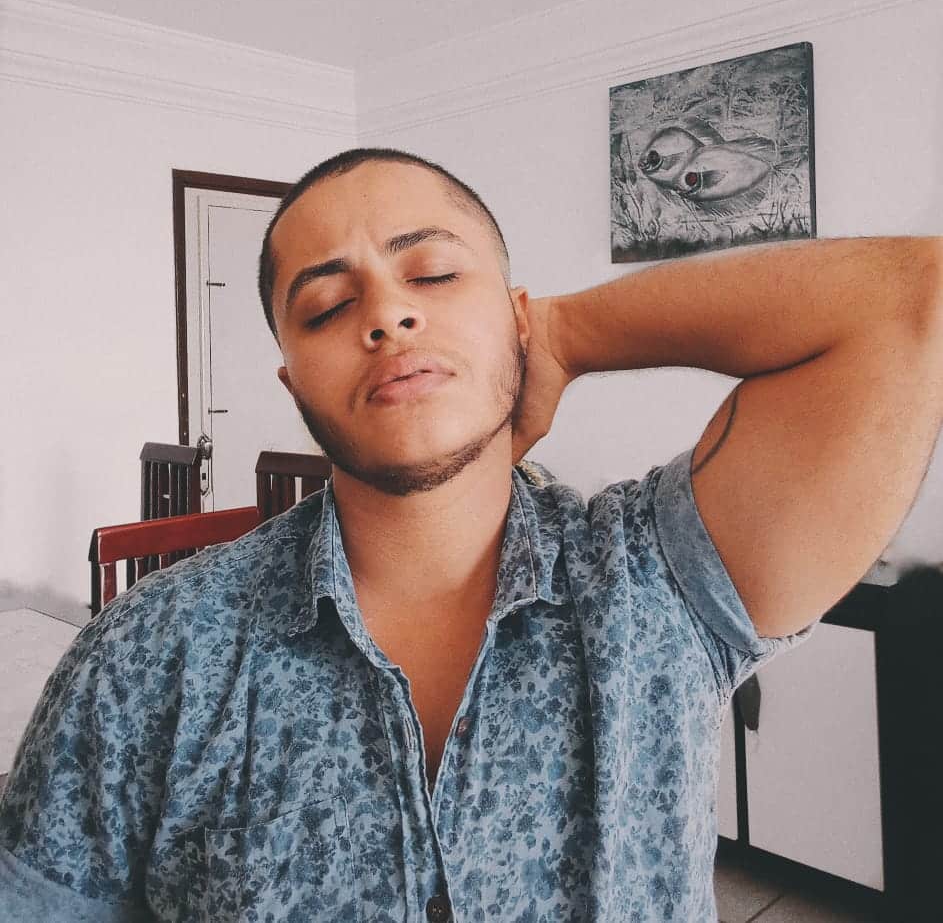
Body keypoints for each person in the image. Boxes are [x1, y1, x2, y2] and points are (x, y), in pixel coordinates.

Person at [1, 146, 940, 922]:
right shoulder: (146, 654)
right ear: (292, 383)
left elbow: (909, 302)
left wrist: (569, 333)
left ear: (513, 316)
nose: (387, 314)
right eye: (327, 307)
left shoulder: (655, 580)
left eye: (436, 274)